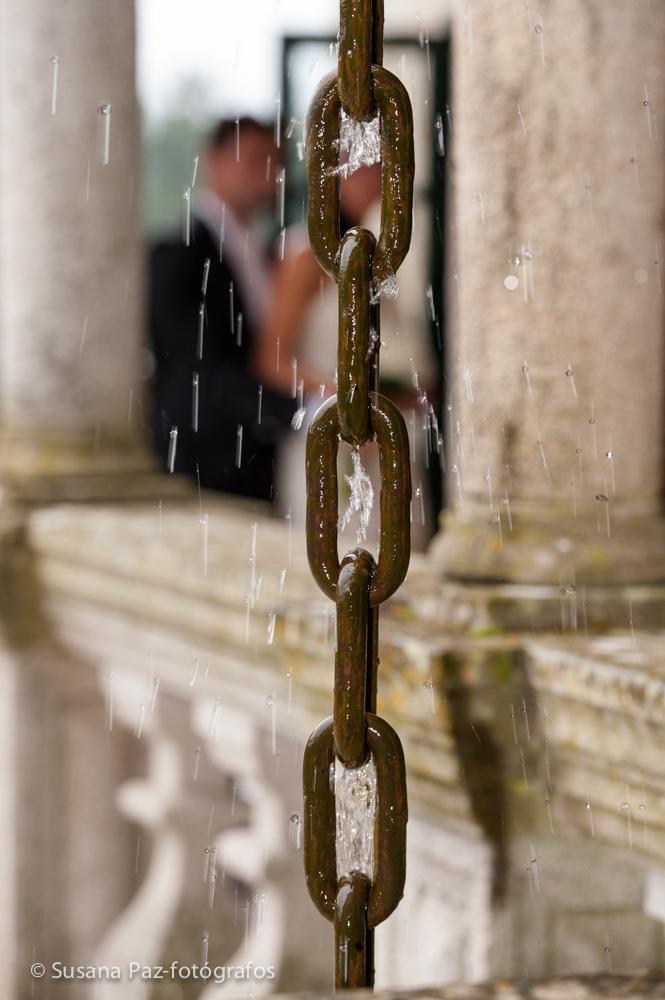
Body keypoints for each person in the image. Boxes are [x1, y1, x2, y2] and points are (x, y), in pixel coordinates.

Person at [148, 117, 296, 502]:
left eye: (275, 162)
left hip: (264, 469)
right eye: (254, 160)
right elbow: (198, 371)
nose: (268, 174)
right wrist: (301, 412)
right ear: (213, 163)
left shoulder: (273, 253)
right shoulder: (176, 253)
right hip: (202, 472)